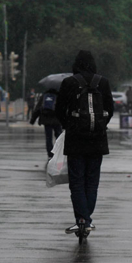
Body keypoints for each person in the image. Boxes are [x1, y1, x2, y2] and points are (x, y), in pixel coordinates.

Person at [55, 50, 114, 234]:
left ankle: (81, 219)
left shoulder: (69, 83)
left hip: (75, 140)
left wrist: (69, 125)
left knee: (77, 182)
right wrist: (99, 125)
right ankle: (86, 219)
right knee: (92, 181)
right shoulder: (102, 82)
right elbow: (110, 109)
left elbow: (59, 110)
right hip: (97, 140)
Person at [29, 88, 62, 158]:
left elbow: (37, 108)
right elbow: (63, 108)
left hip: (46, 120)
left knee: (48, 138)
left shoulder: (44, 96)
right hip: (57, 120)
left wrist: (32, 120)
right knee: (59, 138)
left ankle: (50, 154)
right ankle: (58, 152)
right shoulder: (59, 95)